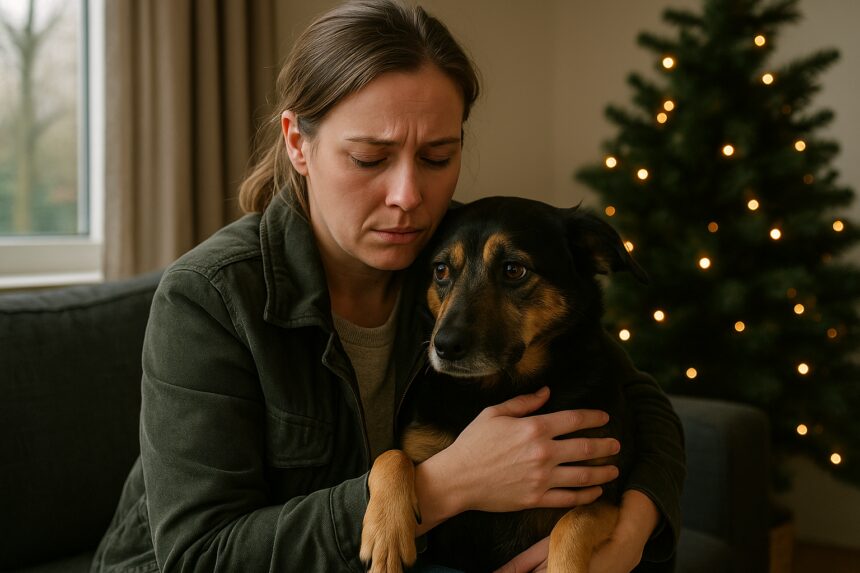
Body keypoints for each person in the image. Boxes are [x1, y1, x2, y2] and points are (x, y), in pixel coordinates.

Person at [92, 1, 685, 571]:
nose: (408, 197)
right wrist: (450, 483)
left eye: (435, 157)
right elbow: (201, 557)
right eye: (370, 159)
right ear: (298, 143)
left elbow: (644, 403)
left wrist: (630, 533)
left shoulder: (447, 254)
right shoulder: (210, 297)